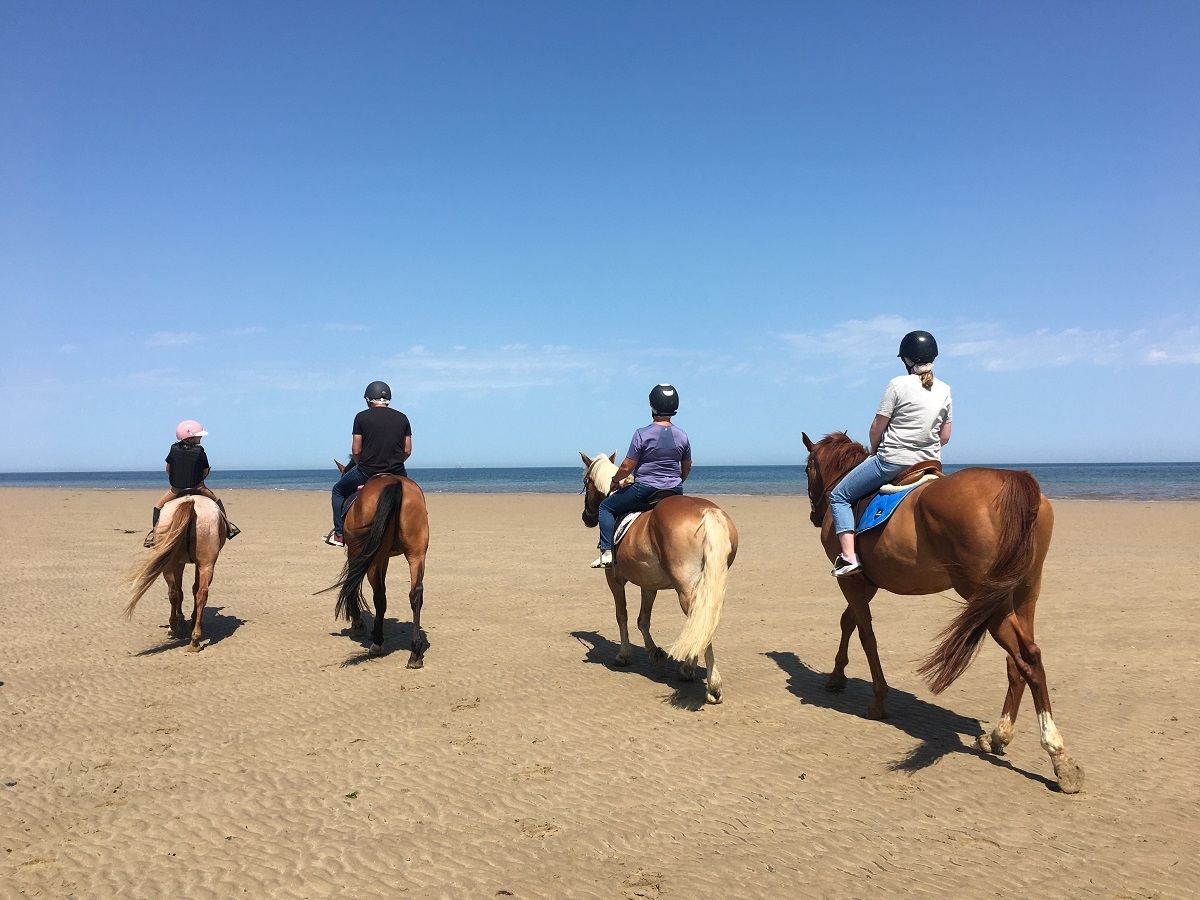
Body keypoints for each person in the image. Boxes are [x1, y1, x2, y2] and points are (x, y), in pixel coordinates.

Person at [828, 330, 952, 577]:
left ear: (906, 359)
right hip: (930, 464)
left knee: (838, 496)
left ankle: (849, 557)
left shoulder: (897, 384)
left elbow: (877, 428)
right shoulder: (945, 389)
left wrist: (874, 451)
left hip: (893, 462)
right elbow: (945, 436)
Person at [591, 383, 692, 568]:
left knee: (605, 507)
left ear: (652, 406)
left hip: (646, 489)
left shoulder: (642, 434)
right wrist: (676, 483)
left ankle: (606, 552)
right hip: (675, 490)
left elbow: (627, 466)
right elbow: (686, 467)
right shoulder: (683, 436)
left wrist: (615, 481)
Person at [324, 380, 412, 547]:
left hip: (367, 471)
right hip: (397, 471)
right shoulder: (402, 418)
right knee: (412, 494)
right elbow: (407, 450)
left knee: (337, 491)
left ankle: (339, 535)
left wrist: (361, 466)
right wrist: (396, 464)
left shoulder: (361, 417)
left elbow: (356, 450)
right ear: (388, 399)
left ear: (368, 399)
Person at [144, 420, 240, 547]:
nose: (200, 437)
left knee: (158, 507)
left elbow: (168, 469)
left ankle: (155, 535)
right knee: (216, 500)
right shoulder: (200, 451)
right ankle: (228, 527)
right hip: (198, 487)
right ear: (190, 437)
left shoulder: (173, 450)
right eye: (198, 435)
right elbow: (205, 470)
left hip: (176, 489)